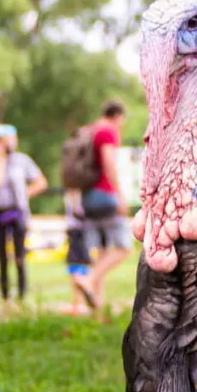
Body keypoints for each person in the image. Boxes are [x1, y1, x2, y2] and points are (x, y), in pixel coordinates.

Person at [74, 100, 131, 311]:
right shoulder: (108, 132)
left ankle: (96, 304)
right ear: (118, 116)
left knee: (103, 251)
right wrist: (120, 195)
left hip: (87, 196)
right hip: (105, 195)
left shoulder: (89, 130)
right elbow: (108, 163)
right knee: (123, 248)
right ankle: (88, 280)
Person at [0, 123, 47, 303]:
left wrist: (26, 193)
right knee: (2, 257)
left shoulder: (22, 161)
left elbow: (41, 182)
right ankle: (4, 296)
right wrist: (1, 159)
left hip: (17, 212)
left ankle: (21, 295)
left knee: (20, 255)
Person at [64, 188, 92, 315]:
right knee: (80, 266)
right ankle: (78, 303)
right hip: (80, 232)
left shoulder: (72, 192)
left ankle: (77, 303)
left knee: (76, 266)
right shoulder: (79, 193)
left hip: (76, 232)